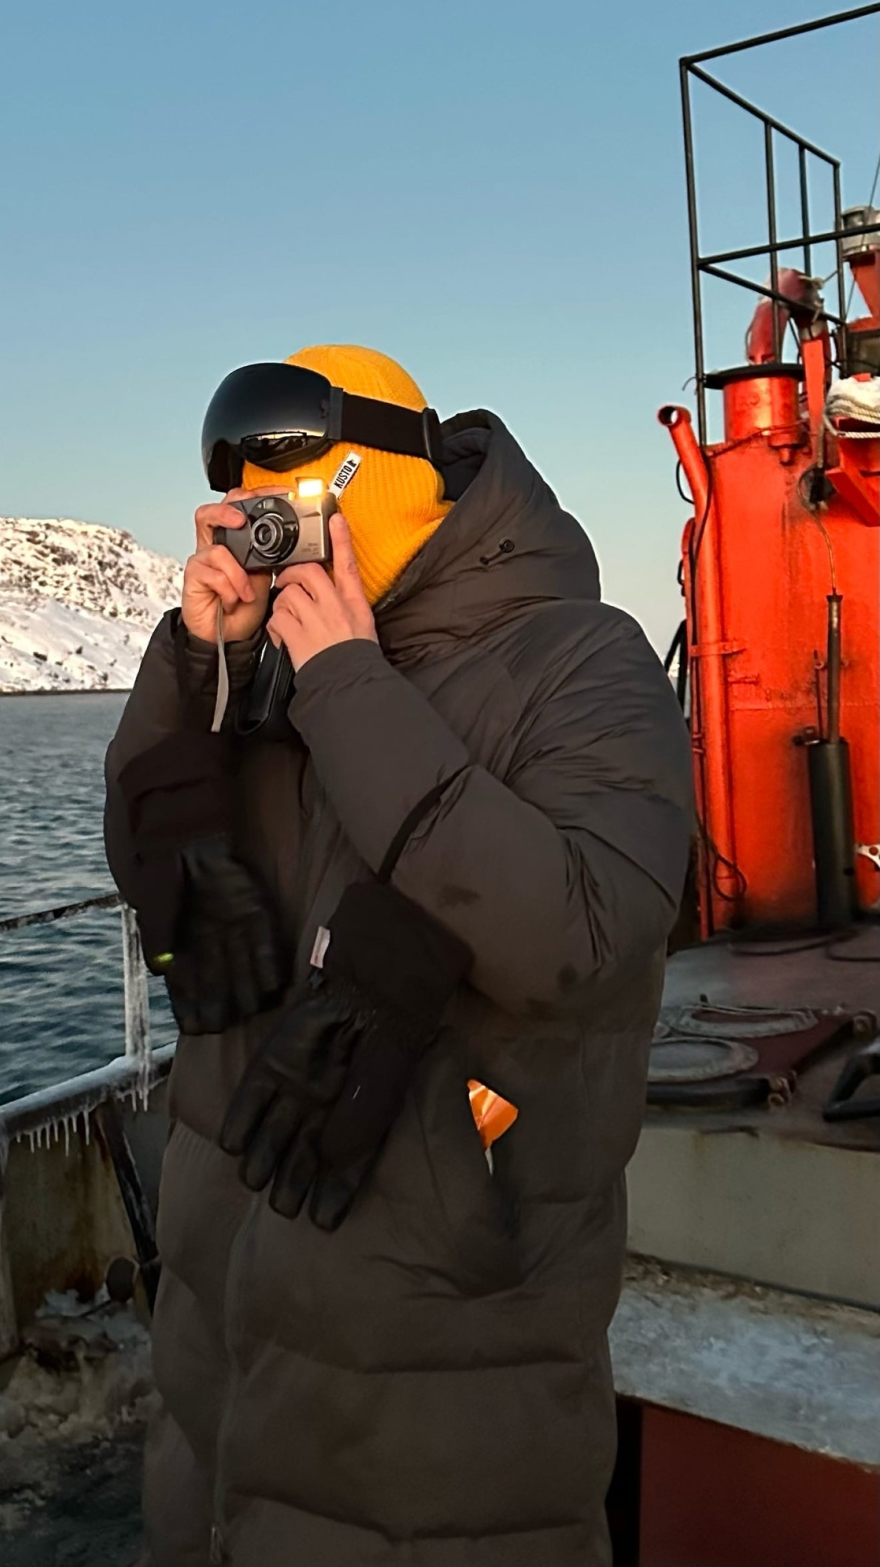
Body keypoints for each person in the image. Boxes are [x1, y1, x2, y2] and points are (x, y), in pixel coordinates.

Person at [104, 344, 693, 1566]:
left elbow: (573, 935)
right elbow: (155, 874)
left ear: (370, 481)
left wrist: (348, 684)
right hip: (222, 1356)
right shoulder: (268, 678)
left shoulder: (582, 658)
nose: (267, 539)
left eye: (288, 507)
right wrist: (202, 660)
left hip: (439, 1367)